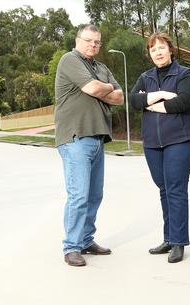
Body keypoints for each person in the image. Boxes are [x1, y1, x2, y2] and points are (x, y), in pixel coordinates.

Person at [54, 24, 124, 267]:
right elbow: (97, 88)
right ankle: (71, 246)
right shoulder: (70, 60)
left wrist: (100, 89)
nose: (93, 45)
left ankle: (85, 240)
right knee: (79, 194)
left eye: (97, 42)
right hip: (75, 138)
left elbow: (120, 96)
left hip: (97, 138)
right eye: (88, 40)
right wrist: (104, 87)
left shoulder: (101, 67)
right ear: (77, 40)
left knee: (94, 195)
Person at [129, 32, 190, 264]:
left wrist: (149, 104)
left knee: (175, 188)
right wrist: (159, 95)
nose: (157, 52)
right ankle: (169, 238)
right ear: (149, 54)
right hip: (153, 144)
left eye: (161, 47)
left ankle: (179, 242)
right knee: (164, 189)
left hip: (181, 140)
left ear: (170, 50)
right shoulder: (146, 77)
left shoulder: (184, 74)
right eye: (153, 49)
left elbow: (184, 102)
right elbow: (133, 101)